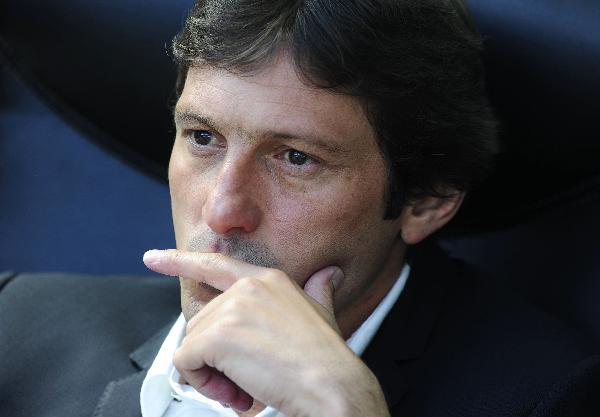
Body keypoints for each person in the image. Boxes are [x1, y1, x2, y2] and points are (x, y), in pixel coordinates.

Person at [1, 1, 599, 416]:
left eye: (295, 158)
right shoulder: (16, 321)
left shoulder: (552, 397)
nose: (221, 212)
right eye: (203, 137)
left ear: (427, 201)